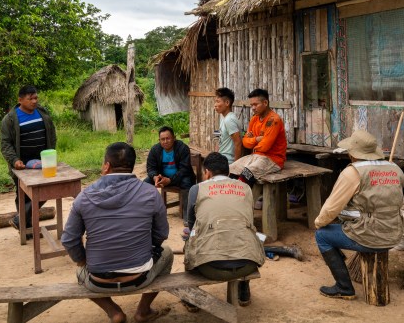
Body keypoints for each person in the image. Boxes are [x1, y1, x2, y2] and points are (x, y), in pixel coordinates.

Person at [61, 142, 172, 323]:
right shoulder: (151, 193)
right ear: (132, 166)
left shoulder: (84, 196)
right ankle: (143, 311)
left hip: (98, 280)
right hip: (140, 277)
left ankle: (114, 312)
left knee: (79, 271)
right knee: (167, 253)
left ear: (106, 166)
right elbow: (161, 234)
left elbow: (69, 240)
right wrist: (144, 247)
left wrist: (83, 261)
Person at [313, 129, 404, 299]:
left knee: (322, 236)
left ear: (352, 153)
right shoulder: (396, 169)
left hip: (370, 236)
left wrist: (319, 222)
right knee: (344, 223)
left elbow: (331, 208)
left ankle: (344, 287)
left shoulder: (353, 172)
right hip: (394, 234)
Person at [184, 152, 265, 307]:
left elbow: (191, 224)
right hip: (247, 265)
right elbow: (249, 218)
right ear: (228, 172)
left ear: (207, 172)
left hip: (210, 267)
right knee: (251, 233)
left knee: (191, 237)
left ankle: (192, 299)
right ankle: (244, 289)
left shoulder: (196, 189)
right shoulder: (246, 188)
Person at [0, 85, 56, 231]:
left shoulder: (42, 113)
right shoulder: (10, 119)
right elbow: (5, 144)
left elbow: (52, 134)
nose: (35, 101)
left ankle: (20, 220)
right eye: (30, 99)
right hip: (22, 165)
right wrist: (14, 160)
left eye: (36, 98)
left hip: (42, 163)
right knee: (23, 196)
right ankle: (27, 229)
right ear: (20, 100)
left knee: (48, 190)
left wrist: (50, 153)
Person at [229, 88, 287, 186]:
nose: (253, 108)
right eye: (251, 105)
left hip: (272, 159)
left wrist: (252, 142)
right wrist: (257, 139)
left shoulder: (274, 120)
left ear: (265, 102)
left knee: (246, 175)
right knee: (230, 169)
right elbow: (245, 143)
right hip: (255, 155)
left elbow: (265, 147)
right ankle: (229, 198)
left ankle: (241, 200)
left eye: (255, 104)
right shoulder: (254, 119)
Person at [144, 126, 196, 222]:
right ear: (159, 140)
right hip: (163, 178)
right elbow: (150, 168)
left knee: (186, 181)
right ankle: (147, 213)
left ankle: (187, 216)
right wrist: (155, 177)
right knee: (146, 183)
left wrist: (170, 180)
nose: (165, 141)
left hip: (180, 178)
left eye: (168, 138)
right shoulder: (155, 150)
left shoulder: (182, 148)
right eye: (162, 139)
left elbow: (184, 169)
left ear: (174, 138)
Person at [214, 87, 242, 164]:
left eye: (218, 102)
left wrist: (235, 166)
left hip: (228, 161)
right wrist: (216, 155)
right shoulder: (223, 117)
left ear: (227, 103)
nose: (215, 105)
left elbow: (238, 143)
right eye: (215, 102)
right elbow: (218, 137)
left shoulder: (229, 120)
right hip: (221, 158)